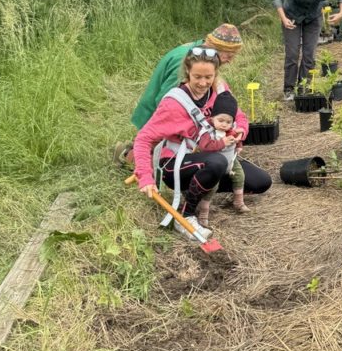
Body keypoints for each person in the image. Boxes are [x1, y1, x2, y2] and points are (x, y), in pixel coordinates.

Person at [134, 48, 270, 239]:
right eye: (197, 76)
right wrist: (145, 176)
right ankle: (186, 214)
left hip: (216, 157)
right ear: (187, 72)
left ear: (216, 74)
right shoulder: (174, 103)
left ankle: (201, 188)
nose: (203, 83)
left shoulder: (220, 91)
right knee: (216, 162)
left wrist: (241, 130)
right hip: (178, 166)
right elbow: (143, 138)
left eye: (209, 77)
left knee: (261, 182)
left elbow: (239, 116)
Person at [113, 23, 244, 167]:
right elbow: (164, 101)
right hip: (154, 115)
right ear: (215, 49)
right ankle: (126, 154)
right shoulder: (184, 62)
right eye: (229, 55)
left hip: (167, 115)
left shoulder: (200, 53)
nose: (231, 61)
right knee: (165, 161)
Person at [273, 0, 342, 101]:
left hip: (313, 19)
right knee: (292, 54)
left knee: (309, 55)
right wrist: (283, 17)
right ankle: (289, 88)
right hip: (291, 17)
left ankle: (303, 87)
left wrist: (340, 13)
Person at [194, 90, 250, 226]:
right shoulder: (208, 131)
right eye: (221, 120)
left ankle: (238, 201)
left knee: (240, 175)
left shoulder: (231, 129)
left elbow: (237, 135)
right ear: (213, 117)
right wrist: (222, 143)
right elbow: (204, 146)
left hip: (230, 160)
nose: (224, 124)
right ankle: (204, 210)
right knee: (213, 185)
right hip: (214, 163)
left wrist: (239, 143)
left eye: (228, 121)